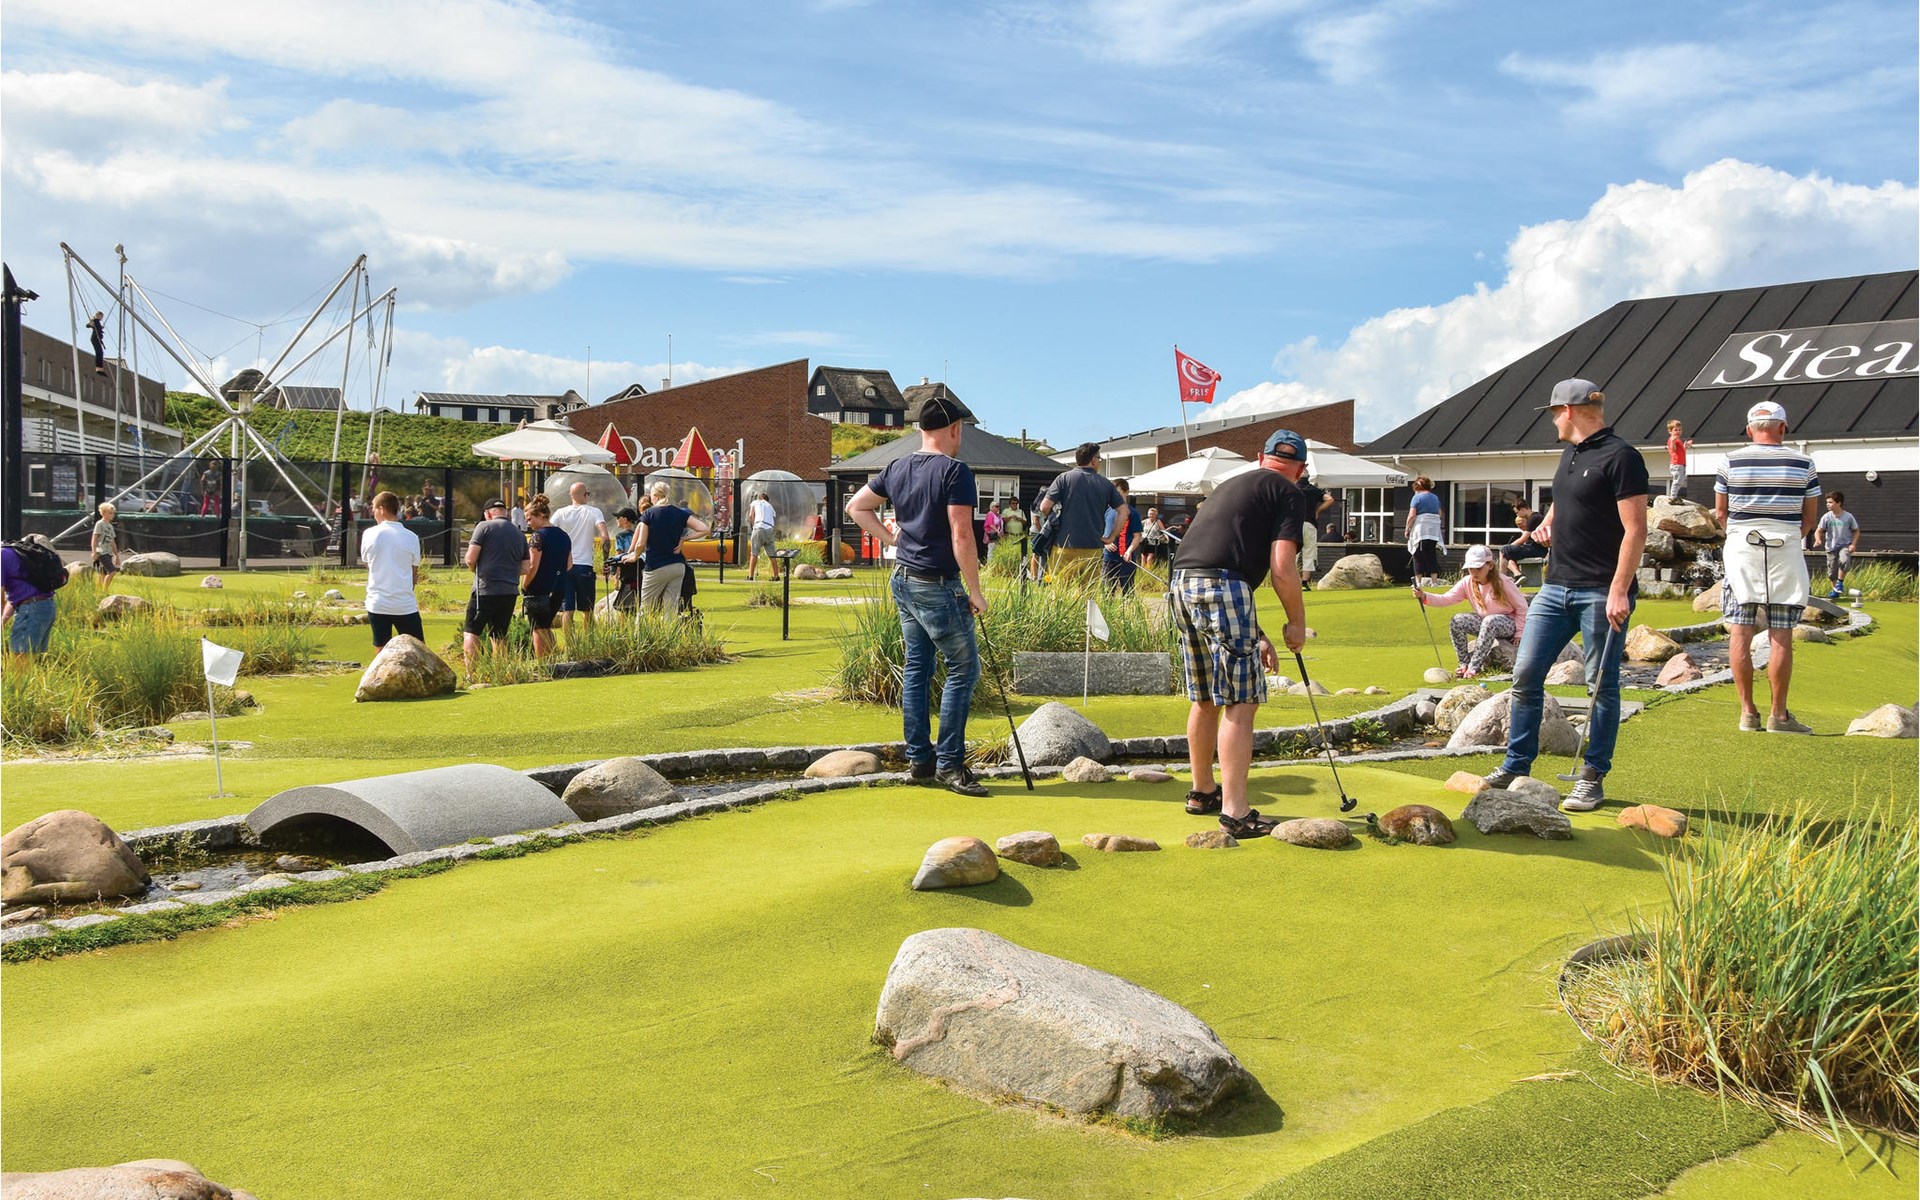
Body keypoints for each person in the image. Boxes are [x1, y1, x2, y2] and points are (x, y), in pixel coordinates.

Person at [1485, 379, 1648, 812]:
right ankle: (1516, 765)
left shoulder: (1622, 457)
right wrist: (1548, 522)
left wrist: (1619, 590)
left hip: (1601, 592)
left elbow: (1636, 530)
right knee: (1525, 675)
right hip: (1555, 587)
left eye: (1554, 412)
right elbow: (1566, 499)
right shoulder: (1570, 454)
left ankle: (1592, 778)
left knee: (1600, 687)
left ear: (1570, 411)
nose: (1553, 420)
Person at [1168, 428, 1310, 839]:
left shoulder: (1233, 484)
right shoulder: (1289, 492)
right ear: (1300, 469)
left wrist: (1258, 633)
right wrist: (1296, 623)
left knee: (1204, 695)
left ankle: (1202, 792)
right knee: (1241, 701)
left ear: (1261, 458)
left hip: (1182, 585)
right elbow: (1282, 566)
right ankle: (1236, 812)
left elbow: (1221, 552)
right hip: (1223, 587)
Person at [847, 394, 990, 797]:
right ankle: (949, 765)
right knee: (963, 669)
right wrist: (975, 591)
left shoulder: (897, 466)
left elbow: (857, 507)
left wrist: (892, 538)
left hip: (904, 578)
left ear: (922, 430)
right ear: (955, 429)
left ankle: (921, 760)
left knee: (917, 668)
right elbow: (962, 534)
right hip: (937, 583)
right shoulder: (956, 471)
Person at [1715, 401, 1821, 735]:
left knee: (1739, 631)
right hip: (1785, 548)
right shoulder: (1804, 463)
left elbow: (1721, 513)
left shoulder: (1730, 460)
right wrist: (1790, 534)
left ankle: (1748, 713)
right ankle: (1779, 716)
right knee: (1781, 634)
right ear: (1783, 428)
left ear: (1749, 430)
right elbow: (1809, 518)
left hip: (1741, 549)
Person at [1415, 544, 1529, 678]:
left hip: (1509, 623)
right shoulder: (1467, 582)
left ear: (1490, 565)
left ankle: (1474, 667)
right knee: (1458, 620)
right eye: (1471, 569)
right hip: (1486, 622)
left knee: (1490, 621)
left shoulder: (1503, 582)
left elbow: (1522, 607)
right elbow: (1447, 598)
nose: (1474, 572)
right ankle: (1463, 663)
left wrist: (1520, 632)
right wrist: (1424, 596)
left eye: (1478, 568)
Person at [1038, 442, 1124, 586]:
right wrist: (1112, 537)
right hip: (1092, 546)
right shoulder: (1105, 484)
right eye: (1099, 459)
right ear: (1093, 460)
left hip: (1063, 544)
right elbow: (1123, 511)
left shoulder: (1063, 478)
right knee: (1088, 592)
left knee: (1060, 591)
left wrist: (1055, 521)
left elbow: (1044, 507)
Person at [462, 498, 528, 672]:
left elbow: (470, 559)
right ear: (505, 512)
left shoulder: (483, 527)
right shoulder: (519, 534)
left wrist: (476, 570)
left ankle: (472, 675)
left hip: (485, 590)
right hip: (509, 591)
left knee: (471, 631)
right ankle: (500, 673)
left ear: (488, 513)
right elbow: (526, 568)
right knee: (498, 635)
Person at [358, 490, 423, 648]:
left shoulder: (369, 534)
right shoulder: (412, 537)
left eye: (374, 508)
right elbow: (413, 574)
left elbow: (369, 566)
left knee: (381, 649)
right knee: (418, 650)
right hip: (404, 604)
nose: (372, 512)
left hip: (377, 602)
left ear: (381, 509)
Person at [635, 481, 709, 613]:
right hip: (677, 565)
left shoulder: (649, 514)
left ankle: (643, 628)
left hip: (656, 565)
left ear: (656, 496)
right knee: (670, 611)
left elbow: (640, 543)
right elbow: (704, 529)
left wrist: (634, 556)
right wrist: (684, 539)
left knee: (645, 610)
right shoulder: (680, 513)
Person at [551, 482, 607, 632]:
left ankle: (569, 643)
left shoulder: (560, 513)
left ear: (570, 495)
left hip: (565, 565)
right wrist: (605, 559)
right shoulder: (594, 511)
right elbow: (605, 536)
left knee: (567, 608)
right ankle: (587, 640)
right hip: (584, 565)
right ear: (585, 495)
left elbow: (549, 531)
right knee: (587, 609)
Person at [521, 495, 571, 657]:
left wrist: (524, 585)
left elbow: (532, 566)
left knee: (537, 628)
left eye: (530, 519)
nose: (528, 523)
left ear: (541, 515)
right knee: (545, 626)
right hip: (559, 588)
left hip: (539, 588)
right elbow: (569, 564)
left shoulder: (538, 537)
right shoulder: (564, 536)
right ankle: (553, 660)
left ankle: (542, 664)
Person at [2, 536, 62, 654]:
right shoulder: (11, 551)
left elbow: (1, 598)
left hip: (30, 610)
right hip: (45, 607)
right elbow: (15, 595)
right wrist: (3, 620)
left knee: (20, 659)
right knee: (31, 659)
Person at [1815, 491, 1860, 600]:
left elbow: (1856, 531)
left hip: (1844, 545)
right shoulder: (1826, 517)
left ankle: (1840, 582)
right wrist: (1818, 539)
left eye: (1830, 502)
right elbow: (1818, 530)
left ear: (1839, 503)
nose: (1828, 504)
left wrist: (1853, 544)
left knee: (1844, 560)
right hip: (1831, 547)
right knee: (1831, 573)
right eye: (1827, 502)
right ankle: (1835, 590)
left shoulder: (1848, 517)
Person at [1296, 477, 1335, 584]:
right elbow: (1330, 499)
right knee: (1308, 553)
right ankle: (1304, 582)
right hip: (1309, 524)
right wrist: (1317, 510)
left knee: (1292, 553)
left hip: (1294, 524)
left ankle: (1293, 581)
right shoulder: (1313, 489)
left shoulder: (1291, 488)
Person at [1405, 476, 1443, 586]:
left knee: (1418, 555)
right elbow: (1440, 514)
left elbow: (1412, 516)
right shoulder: (1435, 498)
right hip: (1434, 531)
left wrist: (1407, 529)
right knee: (1432, 554)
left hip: (1421, 530)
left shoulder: (1417, 498)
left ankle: (1418, 582)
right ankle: (1434, 582)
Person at [1101, 479, 1137, 592]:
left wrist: (1129, 551)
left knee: (1128, 591)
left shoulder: (1133, 512)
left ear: (1126, 492)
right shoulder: (1107, 510)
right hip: (1109, 558)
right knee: (1107, 591)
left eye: (1118, 493)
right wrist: (1105, 543)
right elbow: (1100, 531)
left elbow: (1137, 536)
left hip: (1126, 559)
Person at [1500, 501, 1547, 581]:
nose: (1517, 515)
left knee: (1504, 550)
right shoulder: (1536, 517)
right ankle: (1518, 575)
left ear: (1522, 509)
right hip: (1538, 548)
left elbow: (1523, 539)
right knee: (1509, 555)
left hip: (1536, 549)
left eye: (1517, 512)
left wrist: (1509, 546)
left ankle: (1501, 579)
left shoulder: (1533, 518)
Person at [609, 506, 643, 611]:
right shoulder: (641, 533)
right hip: (640, 570)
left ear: (624, 520)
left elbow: (619, 556)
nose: (616, 520)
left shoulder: (620, 536)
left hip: (627, 572)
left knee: (624, 605)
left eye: (618, 517)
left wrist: (616, 576)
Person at [746, 490, 780, 581]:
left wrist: (753, 526)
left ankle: (750, 576)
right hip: (769, 529)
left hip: (758, 527)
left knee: (754, 553)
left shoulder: (755, 502)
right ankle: (776, 576)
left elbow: (751, 516)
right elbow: (773, 517)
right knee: (772, 555)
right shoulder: (770, 506)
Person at [90, 502, 120, 591]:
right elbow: (94, 538)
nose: (112, 515)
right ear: (103, 513)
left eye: (113, 513)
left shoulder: (110, 526)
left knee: (102, 573)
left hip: (108, 551)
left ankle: (98, 591)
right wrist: (94, 551)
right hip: (101, 551)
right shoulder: (100, 524)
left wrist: (116, 555)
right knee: (112, 571)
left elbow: (112, 541)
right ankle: (105, 590)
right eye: (110, 513)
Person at [1665, 420, 1694, 500]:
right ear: (1670, 431)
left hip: (1681, 463)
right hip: (1676, 464)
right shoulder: (1672, 440)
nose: (1678, 431)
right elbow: (1673, 449)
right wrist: (1673, 442)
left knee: (1680, 481)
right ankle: (1673, 497)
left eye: (1679, 430)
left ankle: (1674, 496)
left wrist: (1685, 446)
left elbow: (1680, 451)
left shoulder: (1678, 440)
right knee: (1678, 480)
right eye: (1675, 430)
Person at [87, 311, 109, 376]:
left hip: (97, 339)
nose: (102, 318)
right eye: (101, 316)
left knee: (100, 353)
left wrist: (101, 328)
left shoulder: (97, 322)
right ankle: (98, 368)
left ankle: (100, 368)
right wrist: (91, 324)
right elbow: (87, 325)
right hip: (95, 339)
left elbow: (97, 328)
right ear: (98, 315)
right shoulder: (95, 320)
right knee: (99, 352)